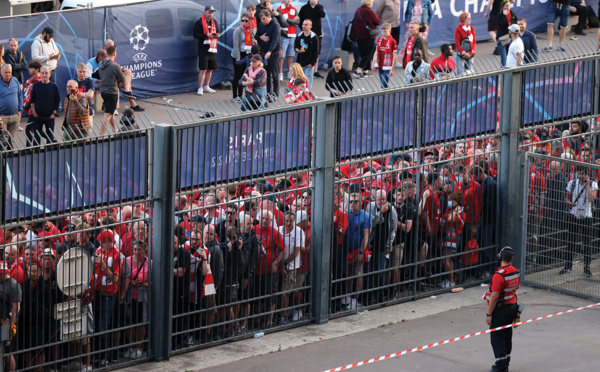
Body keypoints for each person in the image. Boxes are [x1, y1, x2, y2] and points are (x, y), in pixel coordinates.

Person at [484, 246, 520, 372]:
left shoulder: (498, 275)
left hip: (501, 310)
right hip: (513, 307)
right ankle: (505, 362)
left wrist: (489, 314)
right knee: (507, 335)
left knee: (497, 335)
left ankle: (501, 366)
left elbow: (494, 297)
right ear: (512, 259)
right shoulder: (516, 272)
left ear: (500, 258)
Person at [560, 165, 598, 277]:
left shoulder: (593, 184)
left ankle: (587, 267)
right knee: (570, 241)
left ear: (586, 174)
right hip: (574, 214)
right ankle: (568, 265)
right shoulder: (572, 183)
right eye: (579, 174)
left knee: (587, 243)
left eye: (582, 174)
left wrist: (587, 184)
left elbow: (591, 198)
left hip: (587, 216)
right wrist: (570, 203)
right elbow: (566, 198)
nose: (580, 176)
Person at [126, 240, 151, 359]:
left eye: (139, 249)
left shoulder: (149, 262)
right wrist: (131, 283)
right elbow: (124, 277)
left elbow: (154, 280)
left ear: (144, 250)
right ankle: (131, 347)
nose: (136, 252)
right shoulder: (128, 260)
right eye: (135, 249)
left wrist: (145, 285)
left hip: (143, 296)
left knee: (141, 323)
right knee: (130, 323)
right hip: (130, 296)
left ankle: (139, 347)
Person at [95, 45, 125, 133]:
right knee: (107, 115)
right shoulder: (115, 66)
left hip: (103, 91)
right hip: (112, 93)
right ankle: (101, 137)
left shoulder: (100, 63)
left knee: (111, 113)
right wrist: (121, 71)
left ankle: (115, 130)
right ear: (114, 53)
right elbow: (123, 79)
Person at [193, 5, 221, 95]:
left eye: (212, 12)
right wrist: (206, 35)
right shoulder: (199, 22)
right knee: (203, 69)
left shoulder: (214, 22)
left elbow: (217, 32)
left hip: (212, 48)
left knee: (210, 68)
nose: (211, 14)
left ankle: (207, 86)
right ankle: (200, 87)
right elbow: (195, 35)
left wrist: (217, 35)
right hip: (203, 48)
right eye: (209, 12)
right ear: (205, 12)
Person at [29, 67, 60, 144]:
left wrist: (54, 113)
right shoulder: (36, 85)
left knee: (50, 138)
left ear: (49, 74)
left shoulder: (54, 86)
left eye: (46, 73)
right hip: (38, 116)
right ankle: (36, 154)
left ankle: (49, 155)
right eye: (42, 73)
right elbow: (32, 100)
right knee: (36, 138)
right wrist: (34, 113)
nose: (44, 75)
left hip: (50, 117)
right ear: (40, 74)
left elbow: (57, 100)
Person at [256, 10, 282, 100]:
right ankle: (268, 94)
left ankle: (275, 95)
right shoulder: (261, 24)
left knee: (275, 75)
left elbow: (276, 39)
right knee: (266, 75)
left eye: (264, 18)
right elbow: (256, 35)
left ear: (269, 17)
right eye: (261, 19)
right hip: (264, 53)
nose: (262, 21)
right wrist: (261, 37)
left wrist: (270, 51)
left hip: (274, 53)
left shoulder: (275, 25)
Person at [0, 261, 21, 372]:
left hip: (5, 323)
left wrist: (11, 325)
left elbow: (15, 309)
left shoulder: (13, 286)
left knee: (7, 352)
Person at [298, 0, 326, 79]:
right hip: (306, 34)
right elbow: (300, 20)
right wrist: (303, 29)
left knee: (316, 52)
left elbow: (323, 15)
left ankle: (315, 71)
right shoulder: (304, 8)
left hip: (317, 34)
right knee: (305, 50)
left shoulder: (319, 7)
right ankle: (303, 70)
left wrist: (316, 6)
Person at [353, 0, 381, 78]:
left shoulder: (358, 10)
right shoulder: (369, 12)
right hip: (368, 35)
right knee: (368, 53)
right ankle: (359, 70)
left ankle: (365, 71)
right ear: (369, 3)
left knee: (363, 53)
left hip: (358, 35)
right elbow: (378, 21)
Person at [232, 13, 257, 100]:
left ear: (249, 21)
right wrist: (238, 57)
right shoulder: (238, 30)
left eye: (246, 21)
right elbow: (236, 45)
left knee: (244, 75)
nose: (244, 22)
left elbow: (253, 40)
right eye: (242, 20)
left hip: (247, 54)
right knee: (237, 75)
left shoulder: (250, 30)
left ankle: (241, 94)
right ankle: (235, 96)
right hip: (238, 54)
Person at [278, 0, 300, 82]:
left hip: (293, 35)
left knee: (290, 55)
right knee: (282, 56)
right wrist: (292, 22)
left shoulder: (294, 9)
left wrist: (288, 21)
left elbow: (297, 21)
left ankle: (290, 73)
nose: (289, 1)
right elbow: (281, 23)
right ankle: (280, 73)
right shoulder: (279, 9)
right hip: (284, 36)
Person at [294, 18, 320, 88]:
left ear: (310, 26)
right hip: (300, 63)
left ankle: (308, 96)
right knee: (300, 81)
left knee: (307, 82)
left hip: (309, 64)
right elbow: (295, 47)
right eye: (303, 24)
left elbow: (316, 51)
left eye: (306, 25)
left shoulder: (314, 37)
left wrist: (312, 63)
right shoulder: (299, 35)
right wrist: (297, 50)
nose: (304, 26)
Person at [371, 23, 397, 88]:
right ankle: (387, 96)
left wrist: (392, 69)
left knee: (383, 85)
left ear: (389, 31)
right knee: (384, 85)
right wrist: (373, 63)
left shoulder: (393, 41)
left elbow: (395, 56)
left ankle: (385, 96)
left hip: (388, 66)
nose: (383, 33)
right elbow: (376, 52)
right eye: (382, 31)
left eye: (385, 31)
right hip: (380, 64)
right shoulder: (379, 39)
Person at [0, 64, 23, 137]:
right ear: (1, 72)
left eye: (9, 72)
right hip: (2, 117)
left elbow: (20, 96)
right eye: (6, 72)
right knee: (3, 140)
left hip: (15, 116)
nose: (8, 74)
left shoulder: (15, 80)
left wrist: (20, 111)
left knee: (12, 140)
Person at [496, 0, 518, 67]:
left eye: (509, 5)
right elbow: (500, 25)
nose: (508, 7)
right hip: (502, 39)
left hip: (510, 38)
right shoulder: (500, 15)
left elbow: (515, 26)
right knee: (504, 59)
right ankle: (503, 74)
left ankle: (508, 73)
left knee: (509, 57)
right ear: (503, 7)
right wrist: (504, 16)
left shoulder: (513, 15)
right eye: (506, 6)